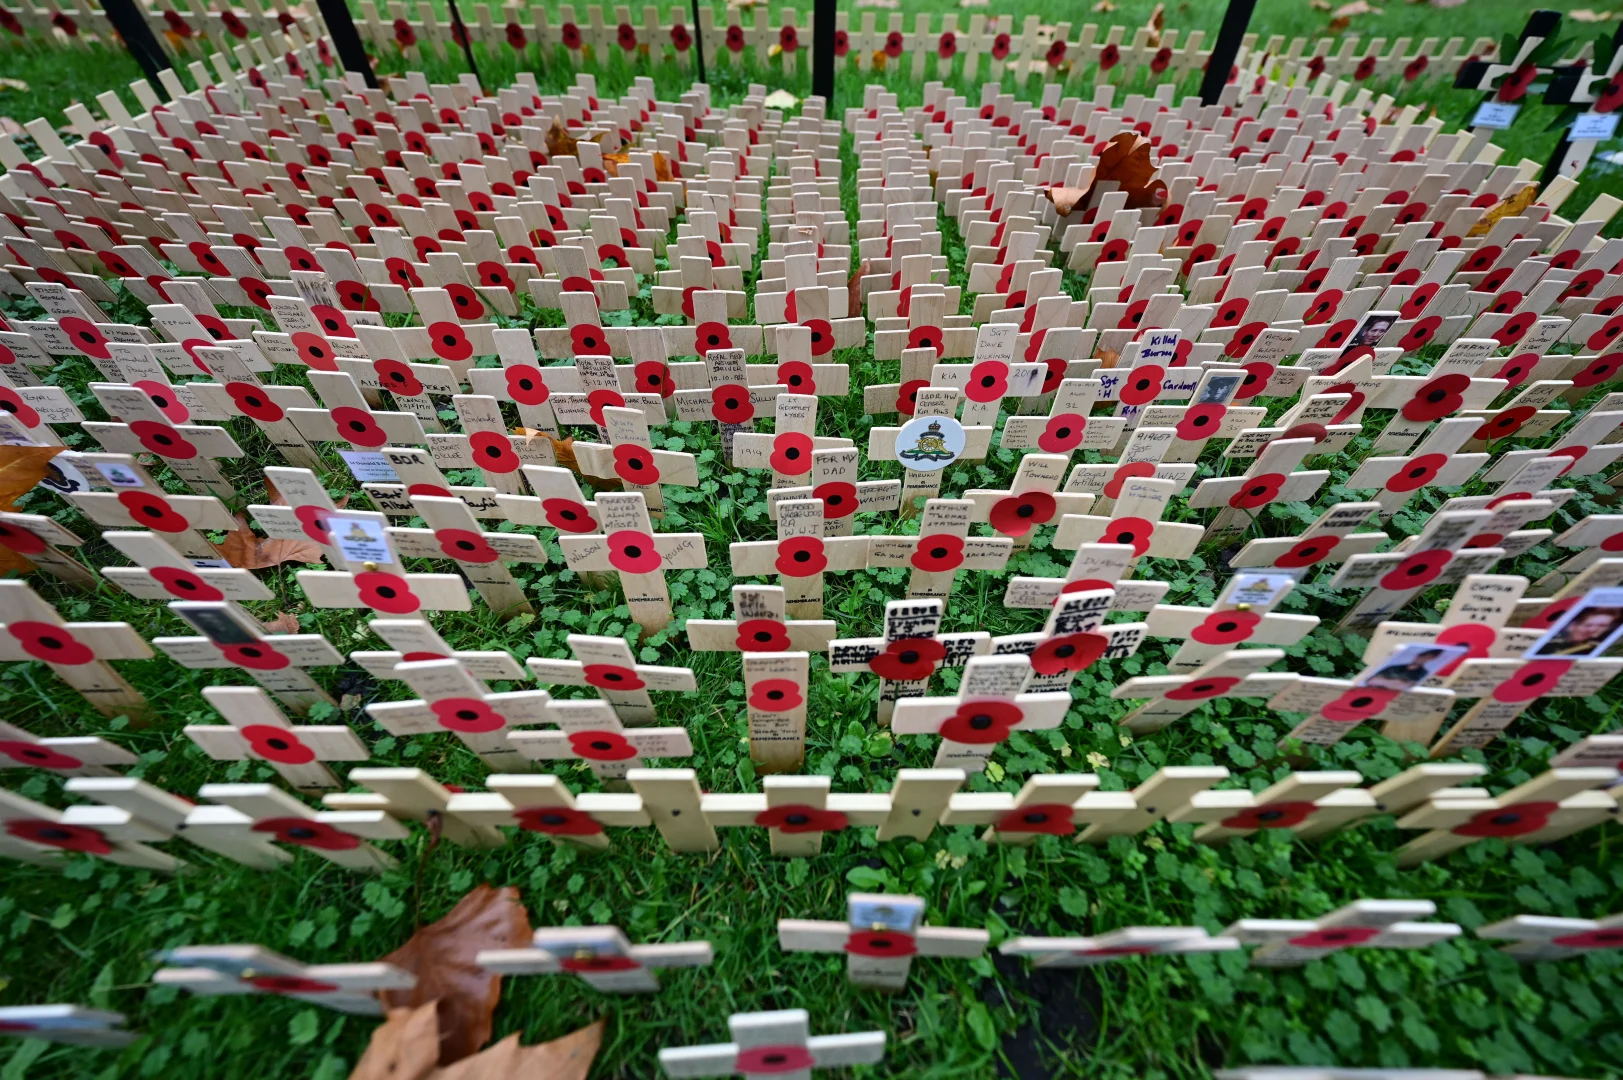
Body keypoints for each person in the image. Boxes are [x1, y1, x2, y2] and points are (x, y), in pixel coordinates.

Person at [1533, 606, 1623, 657]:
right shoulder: (1548, 640)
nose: (1592, 630)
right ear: (1573, 625)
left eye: (1602, 626)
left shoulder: (1592, 646)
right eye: (1589, 625)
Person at [1361, 647, 1450, 690]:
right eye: (1423, 656)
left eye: (1428, 657)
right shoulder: (1393, 667)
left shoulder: (1425, 674)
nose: (1422, 659)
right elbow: (1369, 680)